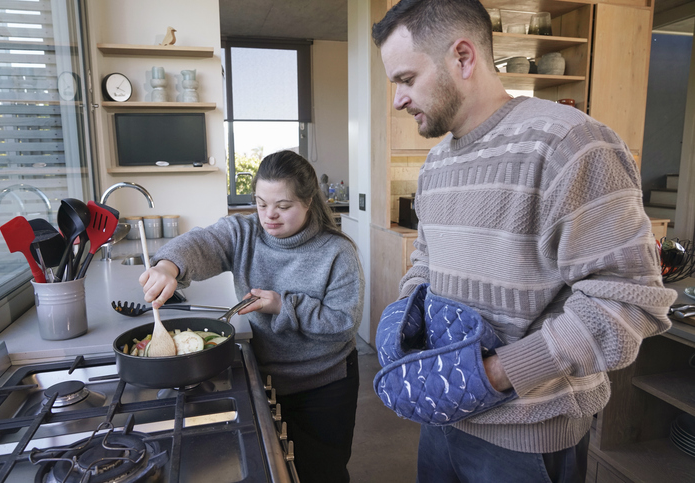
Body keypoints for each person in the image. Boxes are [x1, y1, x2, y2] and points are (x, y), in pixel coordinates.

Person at [371, 0, 677, 481]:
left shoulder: (570, 145)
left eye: (406, 79)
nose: (398, 100)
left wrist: (492, 374)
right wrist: (403, 318)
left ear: (464, 58)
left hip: (527, 441)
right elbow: (426, 262)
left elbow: (628, 305)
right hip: (442, 422)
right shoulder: (437, 165)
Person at [140, 150, 365, 483]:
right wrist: (167, 266)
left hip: (324, 386)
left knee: (322, 473)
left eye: (283, 206)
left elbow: (344, 324)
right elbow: (202, 242)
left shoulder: (337, 252)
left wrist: (282, 306)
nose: (269, 216)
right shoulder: (243, 233)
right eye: (261, 204)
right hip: (260, 380)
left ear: (307, 201)